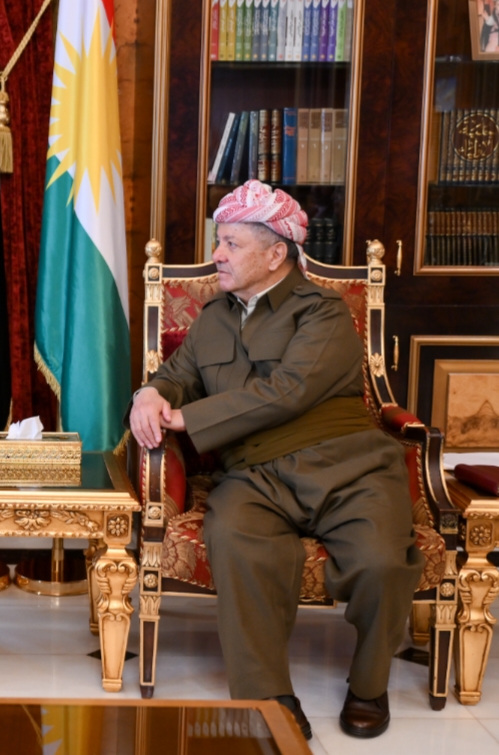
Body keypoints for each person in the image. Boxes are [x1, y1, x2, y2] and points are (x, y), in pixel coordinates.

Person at [128, 180, 422, 740]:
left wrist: (188, 418)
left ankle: (369, 684)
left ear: (275, 254)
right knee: (236, 540)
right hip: (253, 475)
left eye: (231, 244)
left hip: (346, 466)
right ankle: (268, 695)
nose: (217, 254)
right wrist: (149, 394)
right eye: (219, 241)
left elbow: (289, 391)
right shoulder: (215, 316)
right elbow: (177, 375)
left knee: (382, 562)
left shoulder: (324, 312)